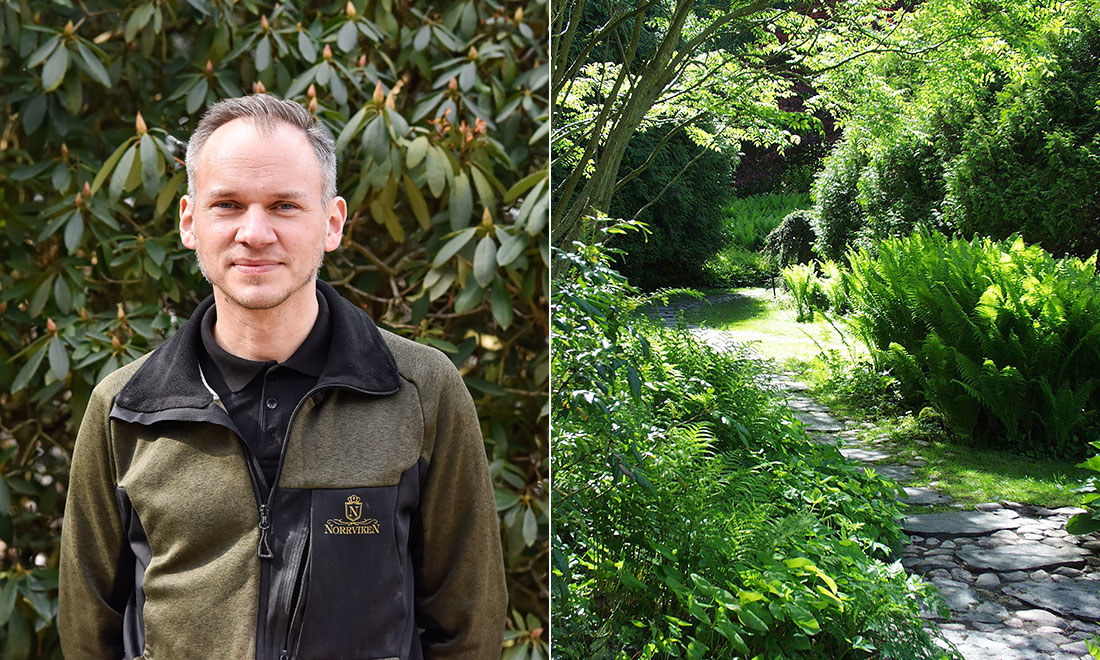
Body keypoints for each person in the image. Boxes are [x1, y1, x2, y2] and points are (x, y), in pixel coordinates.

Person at [58, 95, 507, 660]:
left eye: (284, 206)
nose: (255, 232)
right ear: (190, 222)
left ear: (332, 223)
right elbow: (87, 632)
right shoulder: (124, 408)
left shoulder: (421, 390)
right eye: (227, 204)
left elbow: (469, 626)